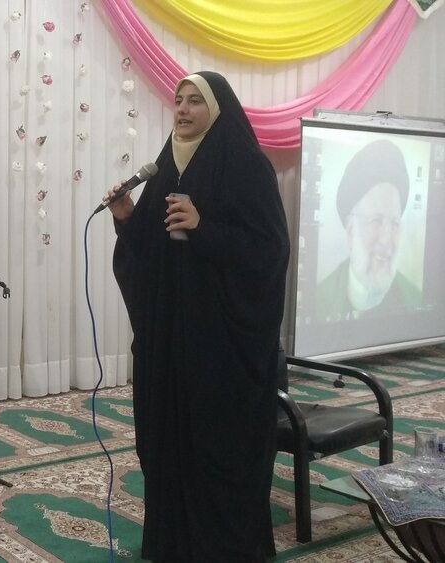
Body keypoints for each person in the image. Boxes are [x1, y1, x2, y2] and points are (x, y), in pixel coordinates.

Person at [106, 72, 289, 562]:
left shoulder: (247, 166)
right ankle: (174, 544)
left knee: (218, 445)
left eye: (194, 101)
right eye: (178, 101)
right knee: (167, 442)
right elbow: (150, 249)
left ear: (218, 109)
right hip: (171, 342)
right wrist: (128, 219)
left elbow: (269, 251)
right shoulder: (168, 164)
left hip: (221, 346)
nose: (183, 110)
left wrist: (205, 229)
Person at [315, 139, 420, 321]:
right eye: (376, 221)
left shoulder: (415, 299)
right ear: (350, 229)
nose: (386, 241)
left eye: (394, 224)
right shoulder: (317, 301)